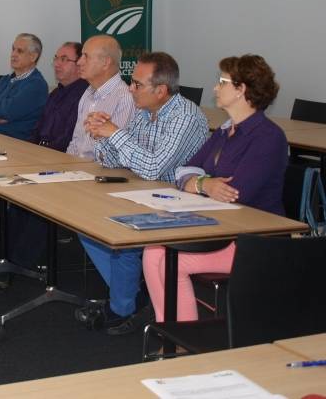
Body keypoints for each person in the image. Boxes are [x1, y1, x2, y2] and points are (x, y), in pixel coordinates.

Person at [142, 54, 286, 322]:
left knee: (172, 263)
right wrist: (203, 183)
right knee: (153, 252)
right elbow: (184, 171)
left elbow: (235, 194)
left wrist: (199, 184)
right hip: (218, 227)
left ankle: (184, 336)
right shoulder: (224, 131)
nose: (215, 88)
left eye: (222, 82)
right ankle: (172, 331)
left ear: (242, 89)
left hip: (254, 241)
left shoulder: (268, 137)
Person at [77, 52, 209, 334]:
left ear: (161, 91)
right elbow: (115, 161)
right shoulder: (145, 113)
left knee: (122, 238)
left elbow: (151, 167)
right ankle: (133, 296)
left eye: (137, 84)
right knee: (85, 225)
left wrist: (114, 133)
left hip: (182, 203)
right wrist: (101, 134)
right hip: (147, 193)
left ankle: (122, 306)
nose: (130, 89)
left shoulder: (185, 116)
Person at [0, 41, 85, 266]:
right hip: (31, 149)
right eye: (56, 58)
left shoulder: (68, 92)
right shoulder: (56, 92)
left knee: (11, 181)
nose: (57, 64)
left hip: (49, 157)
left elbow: (66, 139)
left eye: (64, 59)